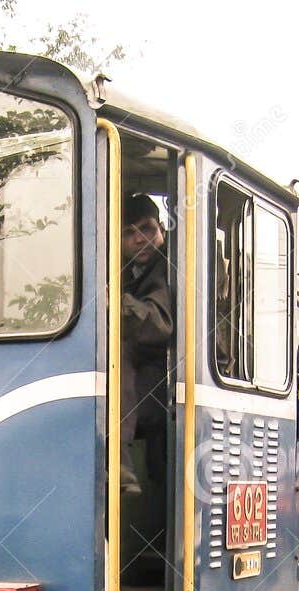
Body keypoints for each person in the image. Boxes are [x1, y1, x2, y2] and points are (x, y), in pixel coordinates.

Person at [119, 192, 173, 493]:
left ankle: (119, 460)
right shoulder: (129, 273)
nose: (140, 239)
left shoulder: (170, 266)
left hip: (168, 387)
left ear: (161, 230)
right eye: (130, 232)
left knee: (120, 350)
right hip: (147, 390)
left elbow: (159, 324)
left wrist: (118, 305)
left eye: (147, 228)